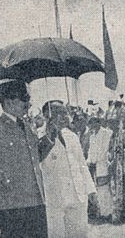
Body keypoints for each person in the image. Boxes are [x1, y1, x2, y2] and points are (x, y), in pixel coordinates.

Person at [0, 80, 55, 237]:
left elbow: (35, 158)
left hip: (35, 198)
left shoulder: (27, 126)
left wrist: (49, 138)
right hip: (10, 201)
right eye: (24, 99)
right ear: (8, 102)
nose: (28, 104)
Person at [40, 100, 96, 238]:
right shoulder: (39, 137)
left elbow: (82, 165)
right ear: (47, 116)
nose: (63, 117)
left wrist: (91, 190)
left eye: (65, 112)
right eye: (58, 113)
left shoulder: (72, 136)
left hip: (77, 196)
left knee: (79, 234)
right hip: (55, 198)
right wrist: (49, 137)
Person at [86, 116, 113, 221]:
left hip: (102, 164)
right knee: (98, 190)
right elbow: (90, 151)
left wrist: (95, 160)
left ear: (98, 123)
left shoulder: (106, 133)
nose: (93, 125)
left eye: (94, 123)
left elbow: (105, 150)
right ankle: (102, 212)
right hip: (94, 165)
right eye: (91, 123)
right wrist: (89, 161)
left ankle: (108, 213)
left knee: (104, 189)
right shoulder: (92, 136)